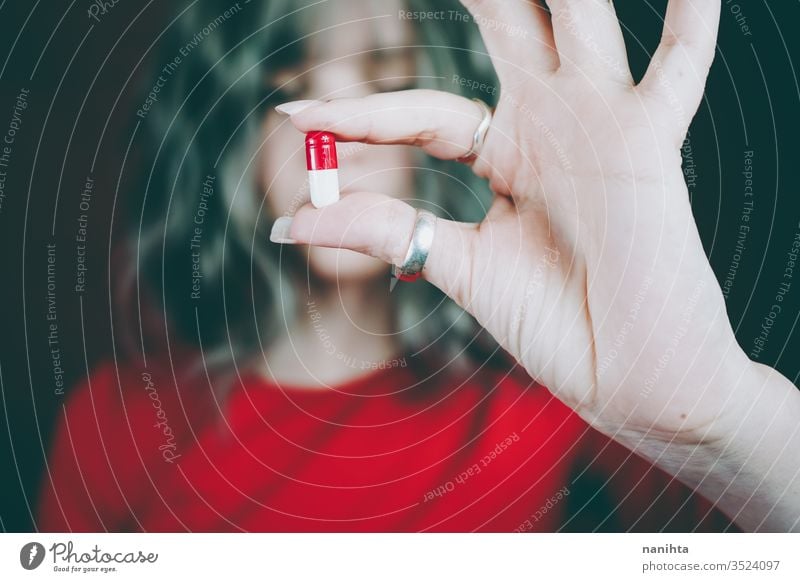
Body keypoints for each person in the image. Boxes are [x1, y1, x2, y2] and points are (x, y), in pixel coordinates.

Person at [38, 0, 799, 532]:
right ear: (231, 141)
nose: (338, 122)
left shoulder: (551, 406)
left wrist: (724, 416)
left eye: (385, 74)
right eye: (292, 84)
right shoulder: (115, 426)